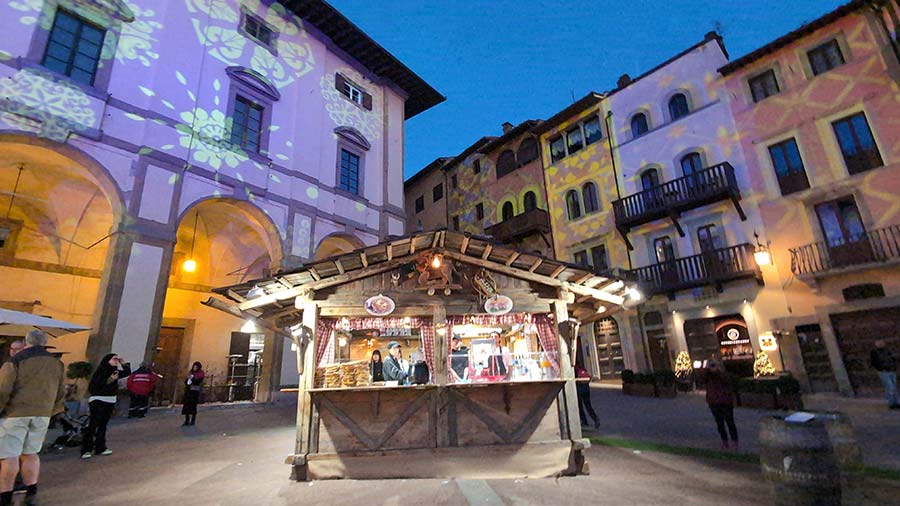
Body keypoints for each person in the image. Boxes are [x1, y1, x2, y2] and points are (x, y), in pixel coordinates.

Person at [0, 330, 65, 506]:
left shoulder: (16, 361)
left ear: (26, 342)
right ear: (44, 343)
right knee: (31, 453)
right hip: (42, 413)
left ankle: (5, 497)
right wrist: (54, 410)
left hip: (15, 414)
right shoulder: (56, 363)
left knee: (9, 455)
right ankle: (31, 493)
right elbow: (61, 391)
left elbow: (3, 389)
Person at [81, 353, 130, 459]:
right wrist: (110, 380)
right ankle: (86, 449)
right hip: (98, 400)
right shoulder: (101, 371)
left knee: (103, 425)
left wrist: (123, 363)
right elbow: (94, 386)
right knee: (93, 425)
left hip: (110, 400)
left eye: (117, 359)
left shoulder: (115, 371)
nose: (116, 361)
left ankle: (100, 447)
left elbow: (127, 372)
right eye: (114, 359)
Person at [705, 361, 738, 449]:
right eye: (711, 366)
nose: (713, 368)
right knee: (720, 424)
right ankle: (724, 441)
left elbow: (728, 381)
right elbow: (702, 379)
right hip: (714, 403)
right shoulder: (709, 376)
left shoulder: (724, 376)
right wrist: (707, 369)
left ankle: (734, 441)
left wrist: (719, 371)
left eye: (714, 365)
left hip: (725, 402)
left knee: (730, 422)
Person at [870, 340, 899, 409]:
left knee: (894, 387)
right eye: (879, 343)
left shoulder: (887, 350)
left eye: (882, 343)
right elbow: (874, 362)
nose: (881, 344)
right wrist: (881, 368)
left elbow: (892, 358)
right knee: (890, 387)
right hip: (884, 371)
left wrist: (894, 366)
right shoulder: (874, 352)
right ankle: (891, 403)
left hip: (891, 370)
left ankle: (896, 402)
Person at [574, 363, 600, 429]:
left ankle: (584, 421)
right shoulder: (582, 369)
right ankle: (595, 419)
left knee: (580, 407)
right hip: (586, 390)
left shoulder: (574, 370)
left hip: (579, 390)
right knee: (588, 406)